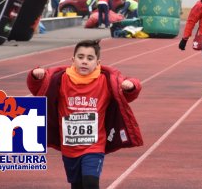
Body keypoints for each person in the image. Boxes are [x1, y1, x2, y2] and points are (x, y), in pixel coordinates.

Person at [26, 39, 143, 189]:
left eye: (90, 58)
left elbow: (129, 88)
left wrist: (131, 86)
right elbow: (39, 89)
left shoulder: (106, 79)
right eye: (80, 57)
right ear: (73, 60)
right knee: (77, 185)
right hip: (69, 146)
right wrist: (35, 76)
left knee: (90, 183)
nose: (84, 62)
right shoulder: (60, 79)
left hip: (94, 146)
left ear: (97, 62)